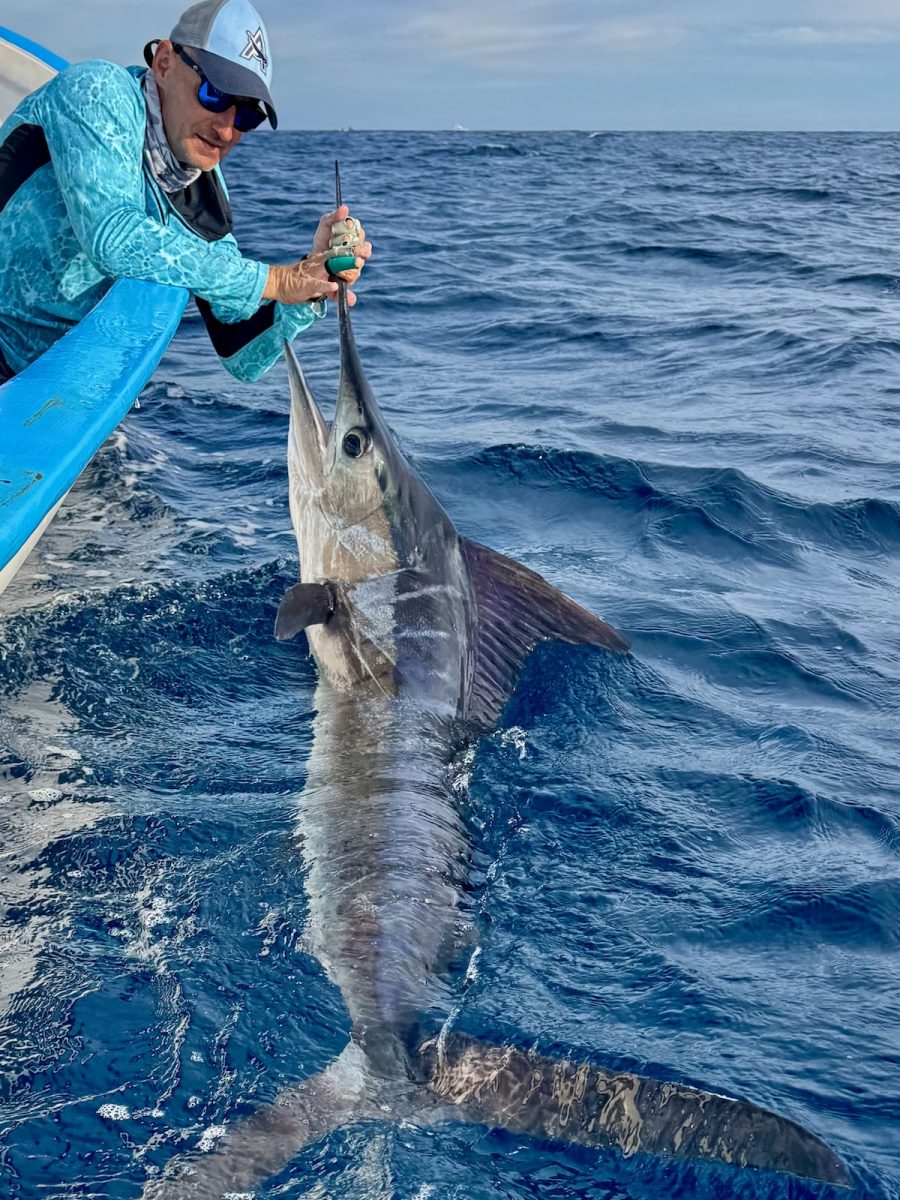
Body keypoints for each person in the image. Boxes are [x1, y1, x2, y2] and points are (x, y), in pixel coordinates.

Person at [0, 0, 371, 385]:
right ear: (164, 63)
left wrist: (313, 286)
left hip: (49, 385)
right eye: (214, 94)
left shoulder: (200, 191)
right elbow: (113, 236)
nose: (226, 130)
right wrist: (277, 281)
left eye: (247, 115)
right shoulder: (97, 91)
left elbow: (239, 353)